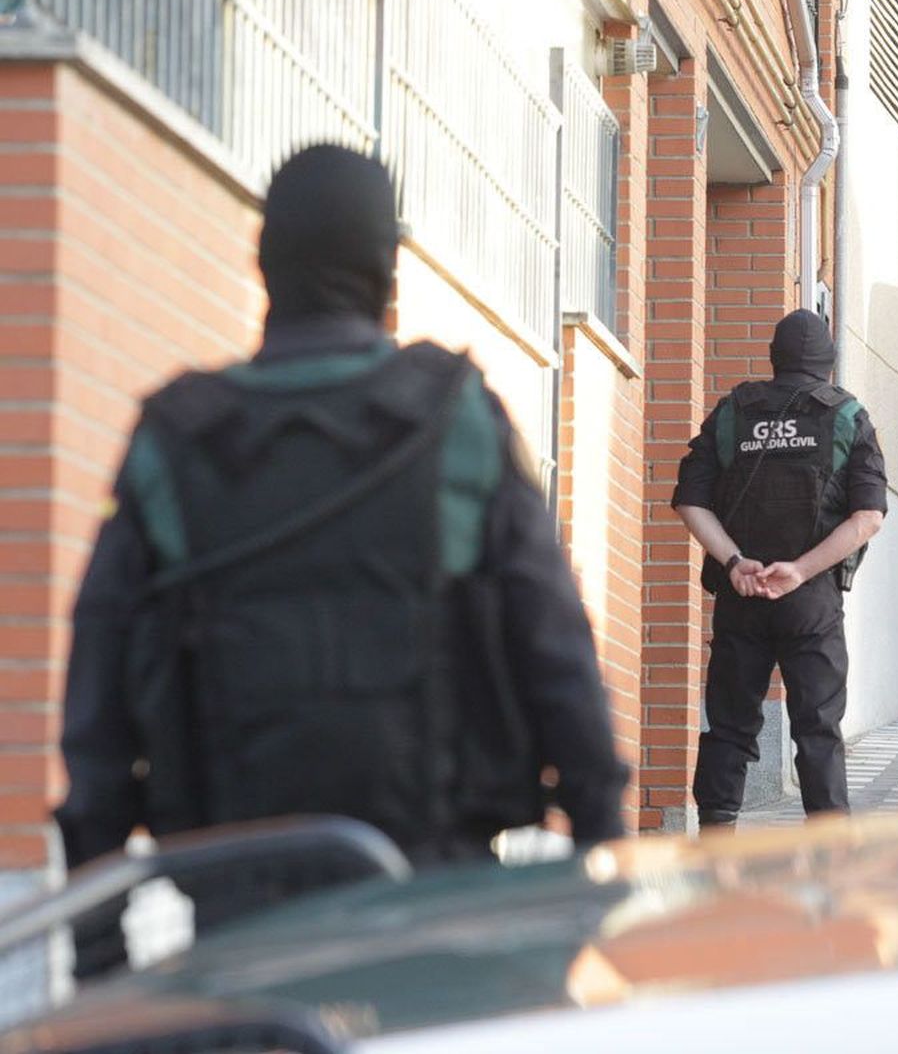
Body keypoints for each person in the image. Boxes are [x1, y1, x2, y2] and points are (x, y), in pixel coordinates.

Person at [55, 145, 626, 965]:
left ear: (264, 264)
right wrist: (596, 849)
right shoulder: (454, 421)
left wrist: (97, 942)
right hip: (434, 896)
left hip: (238, 912)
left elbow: (98, 688)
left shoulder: (175, 441)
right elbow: (555, 641)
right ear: (388, 272)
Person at [672, 309, 887, 830]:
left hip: (740, 596)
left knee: (728, 725)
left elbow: (689, 502)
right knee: (817, 728)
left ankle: (716, 847)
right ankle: (829, 856)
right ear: (828, 364)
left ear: (775, 357)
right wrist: (799, 570)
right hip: (810, 601)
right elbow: (867, 518)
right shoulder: (846, 415)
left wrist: (736, 561)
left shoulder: (732, 412)